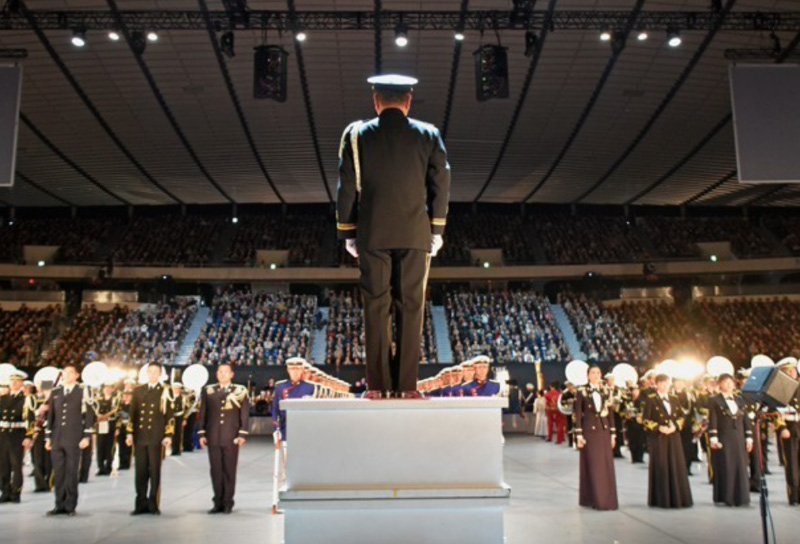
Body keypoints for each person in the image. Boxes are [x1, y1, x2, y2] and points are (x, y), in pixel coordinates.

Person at [336, 73, 451, 399]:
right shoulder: (429, 134)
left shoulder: (355, 134)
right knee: (411, 307)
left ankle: (377, 387)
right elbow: (441, 184)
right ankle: (407, 387)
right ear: (409, 101)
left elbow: (346, 186)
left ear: (376, 100)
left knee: (376, 307)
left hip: (372, 233)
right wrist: (437, 229)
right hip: (416, 234)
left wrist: (348, 231)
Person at [197, 363, 250, 514]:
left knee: (229, 470)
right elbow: (203, 413)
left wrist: (242, 434)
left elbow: (244, 414)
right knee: (215, 470)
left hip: (231, 436)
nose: (222, 374)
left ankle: (228, 502)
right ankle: (217, 502)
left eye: (226, 372)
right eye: (220, 371)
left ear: (232, 374)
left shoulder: (240, 391)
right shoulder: (209, 391)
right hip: (213, 436)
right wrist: (201, 433)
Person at [126, 363, 175, 515]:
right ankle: (140, 503)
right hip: (140, 436)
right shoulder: (138, 391)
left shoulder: (165, 391)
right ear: (147, 373)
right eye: (150, 371)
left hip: (156, 436)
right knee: (140, 472)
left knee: (154, 471)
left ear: (160, 374)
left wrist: (168, 435)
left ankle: (153, 504)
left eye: (156, 372)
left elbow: (169, 415)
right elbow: (132, 414)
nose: (153, 374)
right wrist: (129, 433)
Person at [44, 365, 94, 516]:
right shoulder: (55, 392)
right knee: (58, 472)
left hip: (74, 437)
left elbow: (89, 415)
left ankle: (70, 505)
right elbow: (50, 416)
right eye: (64, 372)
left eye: (70, 372)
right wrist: (48, 437)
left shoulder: (83, 391)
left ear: (77, 375)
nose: (66, 375)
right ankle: (59, 504)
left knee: (71, 472)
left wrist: (86, 436)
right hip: (57, 437)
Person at [643, 374, 693, 508]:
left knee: (676, 465)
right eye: (662, 383)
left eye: (666, 382)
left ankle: (679, 497)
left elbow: (682, 417)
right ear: (657, 384)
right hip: (659, 437)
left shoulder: (674, 398)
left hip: (673, 436)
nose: (665, 385)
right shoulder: (651, 399)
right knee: (662, 465)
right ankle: (662, 498)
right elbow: (645, 420)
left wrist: (675, 426)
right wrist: (659, 428)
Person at [574, 365, 618, 510]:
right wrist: (579, 434)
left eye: (598, 372)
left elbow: (610, 413)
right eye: (593, 372)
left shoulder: (606, 390)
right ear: (588, 375)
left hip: (604, 430)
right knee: (593, 465)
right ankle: (595, 499)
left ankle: (607, 498)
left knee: (606, 465)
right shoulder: (582, 391)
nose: (596, 375)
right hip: (589, 431)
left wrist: (613, 434)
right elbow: (578, 413)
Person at [708, 373, 752, 507]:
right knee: (727, 465)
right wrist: (714, 438)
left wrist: (749, 438)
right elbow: (713, 420)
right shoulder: (715, 400)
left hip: (738, 436)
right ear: (720, 384)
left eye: (730, 382)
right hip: (724, 436)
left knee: (740, 465)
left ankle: (741, 497)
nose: (728, 384)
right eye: (725, 382)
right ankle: (727, 497)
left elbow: (746, 420)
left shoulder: (740, 399)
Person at [0, 370, 33, 503]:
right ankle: (5, 491)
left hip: (17, 435)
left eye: (17, 381)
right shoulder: (3, 398)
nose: (13, 383)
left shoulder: (26, 399)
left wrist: (28, 436)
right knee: (3, 465)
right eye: (12, 381)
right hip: (3, 435)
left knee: (16, 465)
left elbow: (30, 420)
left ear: (21, 384)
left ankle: (15, 492)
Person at [774, 358, 800, 505]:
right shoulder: (780, 390)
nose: (791, 373)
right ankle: (794, 495)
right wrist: (782, 427)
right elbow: (776, 411)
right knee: (791, 464)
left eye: (793, 370)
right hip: (789, 428)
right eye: (787, 371)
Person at [272, 358, 316, 442]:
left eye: (297, 369)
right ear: (288, 370)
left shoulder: (310, 387)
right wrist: (276, 430)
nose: (295, 372)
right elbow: (275, 409)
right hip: (286, 428)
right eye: (292, 369)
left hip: (305, 428)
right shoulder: (280, 387)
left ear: (302, 370)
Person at [94, 381, 119, 476]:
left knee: (110, 447)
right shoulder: (98, 400)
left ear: (112, 389)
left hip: (111, 425)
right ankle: (100, 467)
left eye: (110, 388)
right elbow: (94, 411)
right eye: (106, 388)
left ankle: (109, 466)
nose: (107, 390)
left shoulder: (116, 400)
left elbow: (119, 414)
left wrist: (117, 427)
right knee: (100, 447)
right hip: (101, 425)